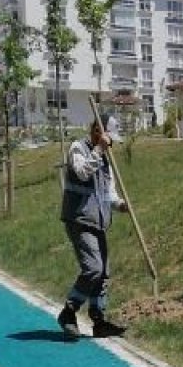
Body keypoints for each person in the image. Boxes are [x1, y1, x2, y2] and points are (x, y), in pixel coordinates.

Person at [57, 116, 129, 339]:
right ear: (97, 131)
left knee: (104, 273)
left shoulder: (106, 159)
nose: (112, 144)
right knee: (94, 269)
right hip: (79, 219)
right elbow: (82, 172)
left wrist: (120, 205)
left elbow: (109, 193)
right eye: (109, 138)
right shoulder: (78, 148)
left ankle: (99, 320)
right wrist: (98, 150)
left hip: (98, 221)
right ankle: (69, 312)